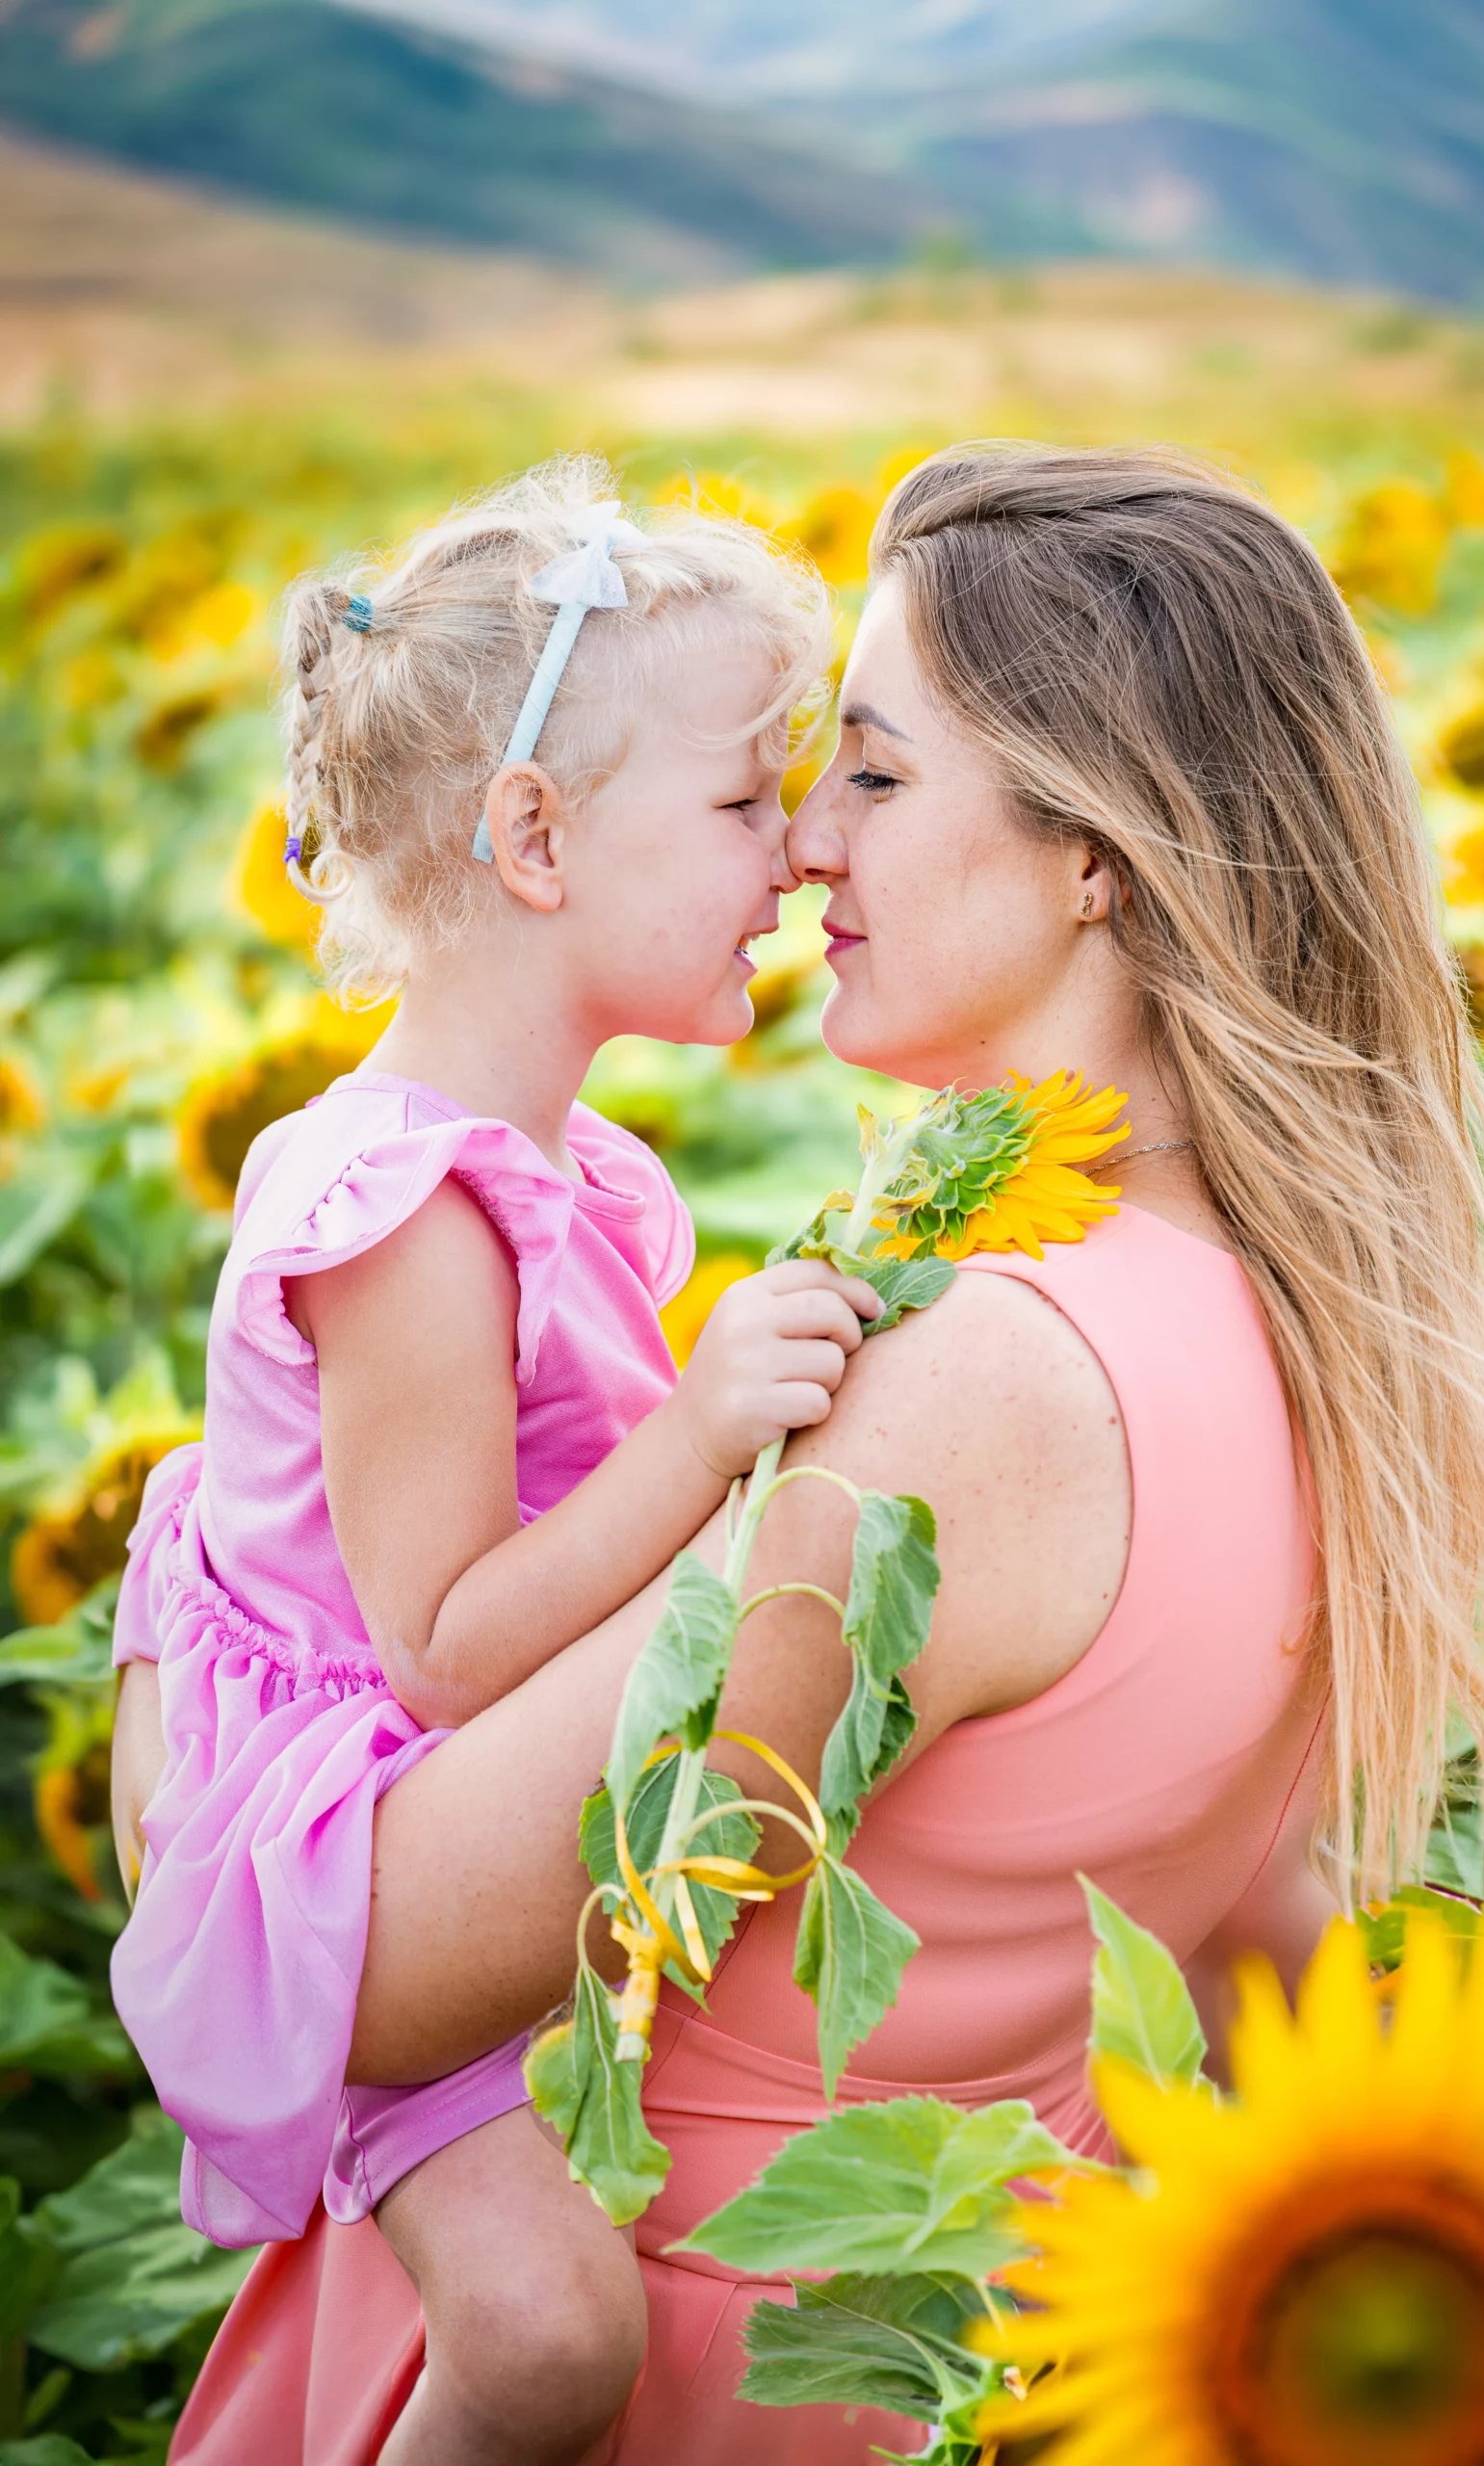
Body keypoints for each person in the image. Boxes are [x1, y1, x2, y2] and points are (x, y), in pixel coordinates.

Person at [114, 444, 1484, 2466]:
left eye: (871, 774)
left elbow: (365, 1985)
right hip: (949, 2355)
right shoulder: (1297, 1316)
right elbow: (1236, 1945)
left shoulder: (976, 1393)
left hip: (698, 2363)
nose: (802, 841)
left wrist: (168, 1703)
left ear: (1097, 857)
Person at [107, 461, 882, 2466]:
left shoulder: (551, 1172)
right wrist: (712, 1426)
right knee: (545, 2336)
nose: (798, 851)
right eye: (740, 801)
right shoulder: (405, 1214)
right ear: (534, 833)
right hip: (341, 1841)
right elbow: (445, 1644)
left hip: (437, 1783)